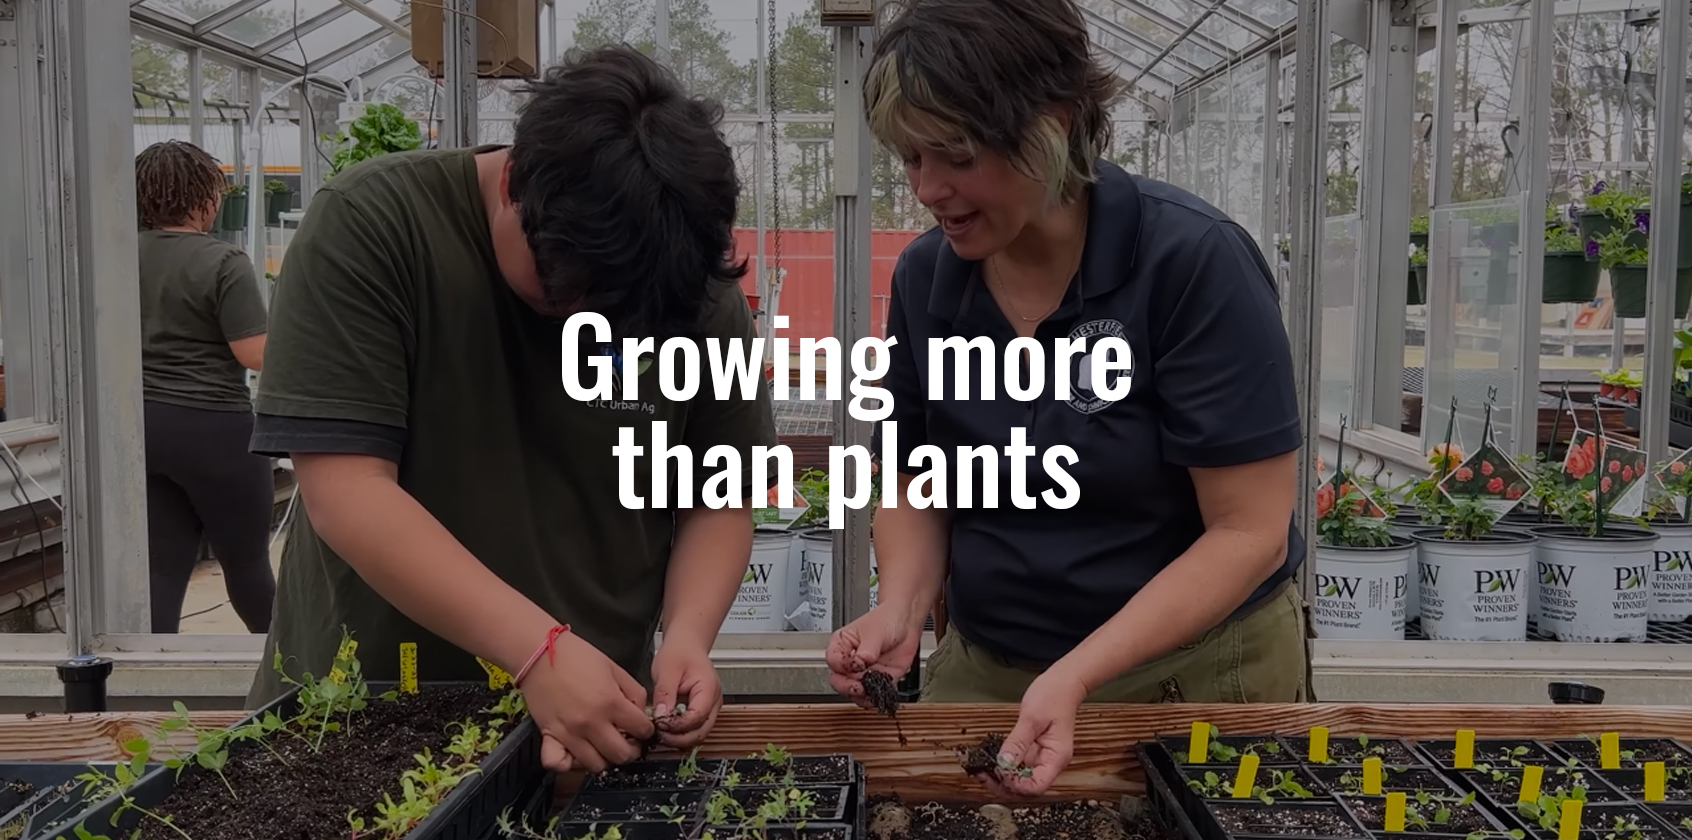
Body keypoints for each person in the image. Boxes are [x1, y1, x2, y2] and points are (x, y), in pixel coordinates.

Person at [825, 0, 1310, 796]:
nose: (927, 188)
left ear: (1053, 121)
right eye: (910, 158)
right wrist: (900, 607)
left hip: (1192, 674)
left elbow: (1247, 530)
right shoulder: (928, 279)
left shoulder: (1189, 263)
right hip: (994, 666)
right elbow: (916, 478)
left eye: (953, 153)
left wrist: (1079, 672)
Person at [246, 45, 776, 774]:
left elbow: (714, 499)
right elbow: (346, 489)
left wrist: (686, 636)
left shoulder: (678, 275)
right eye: (564, 291)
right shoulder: (375, 226)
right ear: (515, 184)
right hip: (368, 712)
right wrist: (538, 650)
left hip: (589, 731)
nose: (591, 322)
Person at [134, 140, 277, 635]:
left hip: (143, 428)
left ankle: (146, 691)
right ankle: (291, 680)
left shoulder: (116, 255)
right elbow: (254, 353)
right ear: (204, 198)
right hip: (215, 428)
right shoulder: (222, 261)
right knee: (246, 566)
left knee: (161, 569)